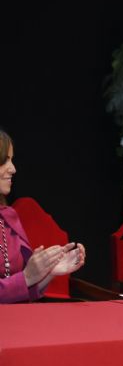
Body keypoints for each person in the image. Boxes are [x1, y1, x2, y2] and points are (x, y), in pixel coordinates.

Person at [0, 130, 86, 304]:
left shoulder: (7, 219)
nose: (13, 169)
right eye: (4, 161)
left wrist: (48, 272)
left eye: (12, 159)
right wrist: (27, 277)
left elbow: (21, 290)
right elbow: (23, 280)